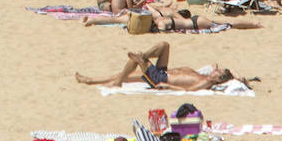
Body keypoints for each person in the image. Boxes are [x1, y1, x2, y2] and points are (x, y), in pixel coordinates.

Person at [74, 41, 245, 90]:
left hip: (159, 78)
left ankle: (91, 80)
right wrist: (235, 75)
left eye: (218, 72)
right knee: (164, 45)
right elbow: (214, 64)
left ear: (217, 79)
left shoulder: (206, 82)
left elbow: (187, 90)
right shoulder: (207, 74)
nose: (216, 69)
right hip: (163, 71)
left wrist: (167, 86)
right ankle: (142, 58)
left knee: (135, 62)